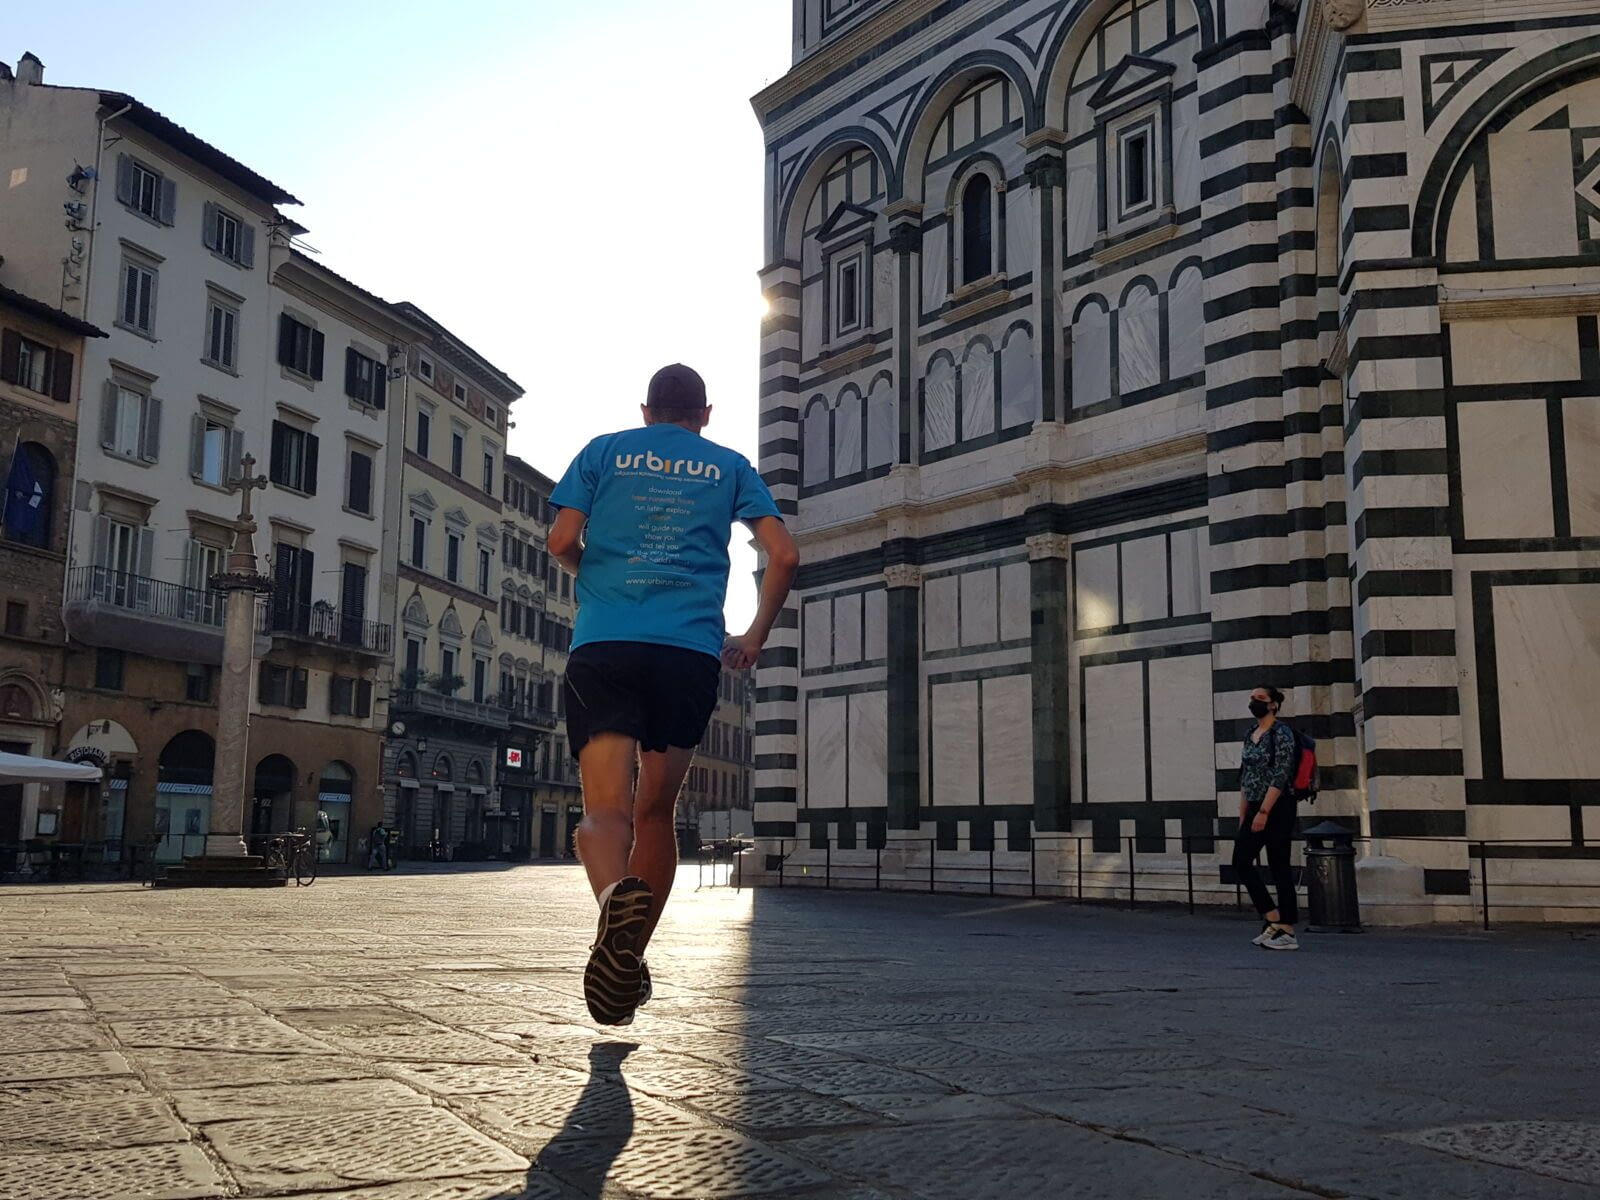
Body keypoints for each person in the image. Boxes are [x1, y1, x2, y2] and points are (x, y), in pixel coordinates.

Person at [548, 363, 799, 1026]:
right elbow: (784, 556)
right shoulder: (729, 465)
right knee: (656, 815)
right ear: (705, 414)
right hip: (687, 650)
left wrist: (592, 577)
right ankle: (627, 956)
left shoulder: (603, 451)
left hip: (605, 643)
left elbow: (561, 540)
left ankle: (612, 908)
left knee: (604, 814)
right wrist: (752, 634)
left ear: (645, 410)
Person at [1233, 686, 1300, 951]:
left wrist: (1264, 812)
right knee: (1240, 861)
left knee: (1279, 865)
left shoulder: (1282, 733)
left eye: (1260, 699)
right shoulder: (1251, 734)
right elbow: (1246, 777)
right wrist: (1244, 814)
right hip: (1255, 806)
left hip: (1278, 806)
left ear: (1273, 705)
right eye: (1252, 698)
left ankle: (1287, 930)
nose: (1254, 702)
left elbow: (1281, 775)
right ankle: (1273, 919)